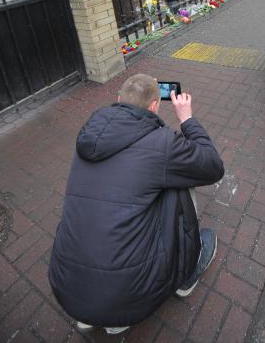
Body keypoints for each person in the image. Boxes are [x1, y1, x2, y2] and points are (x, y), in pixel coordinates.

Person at [48, 73, 224, 336]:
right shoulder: (162, 142)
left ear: (118, 99)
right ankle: (186, 272)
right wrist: (187, 118)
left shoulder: (89, 134)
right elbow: (212, 166)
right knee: (180, 184)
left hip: (67, 288)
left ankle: (98, 311)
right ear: (155, 106)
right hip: (127, 294)